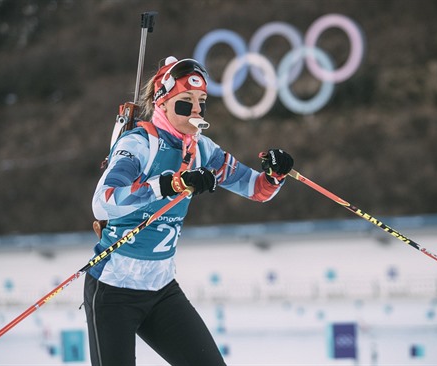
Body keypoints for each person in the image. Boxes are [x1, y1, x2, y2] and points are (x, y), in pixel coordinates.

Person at [84, 56, 294, 365]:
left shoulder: (201, 149)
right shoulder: (140, 144)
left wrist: (275, 174)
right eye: (185, 103)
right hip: (114, 290)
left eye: (202, 103)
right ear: (163, 103)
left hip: (161, 291)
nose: (196, 110)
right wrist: (168, 184)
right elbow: (104, 200)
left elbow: (256, 189)